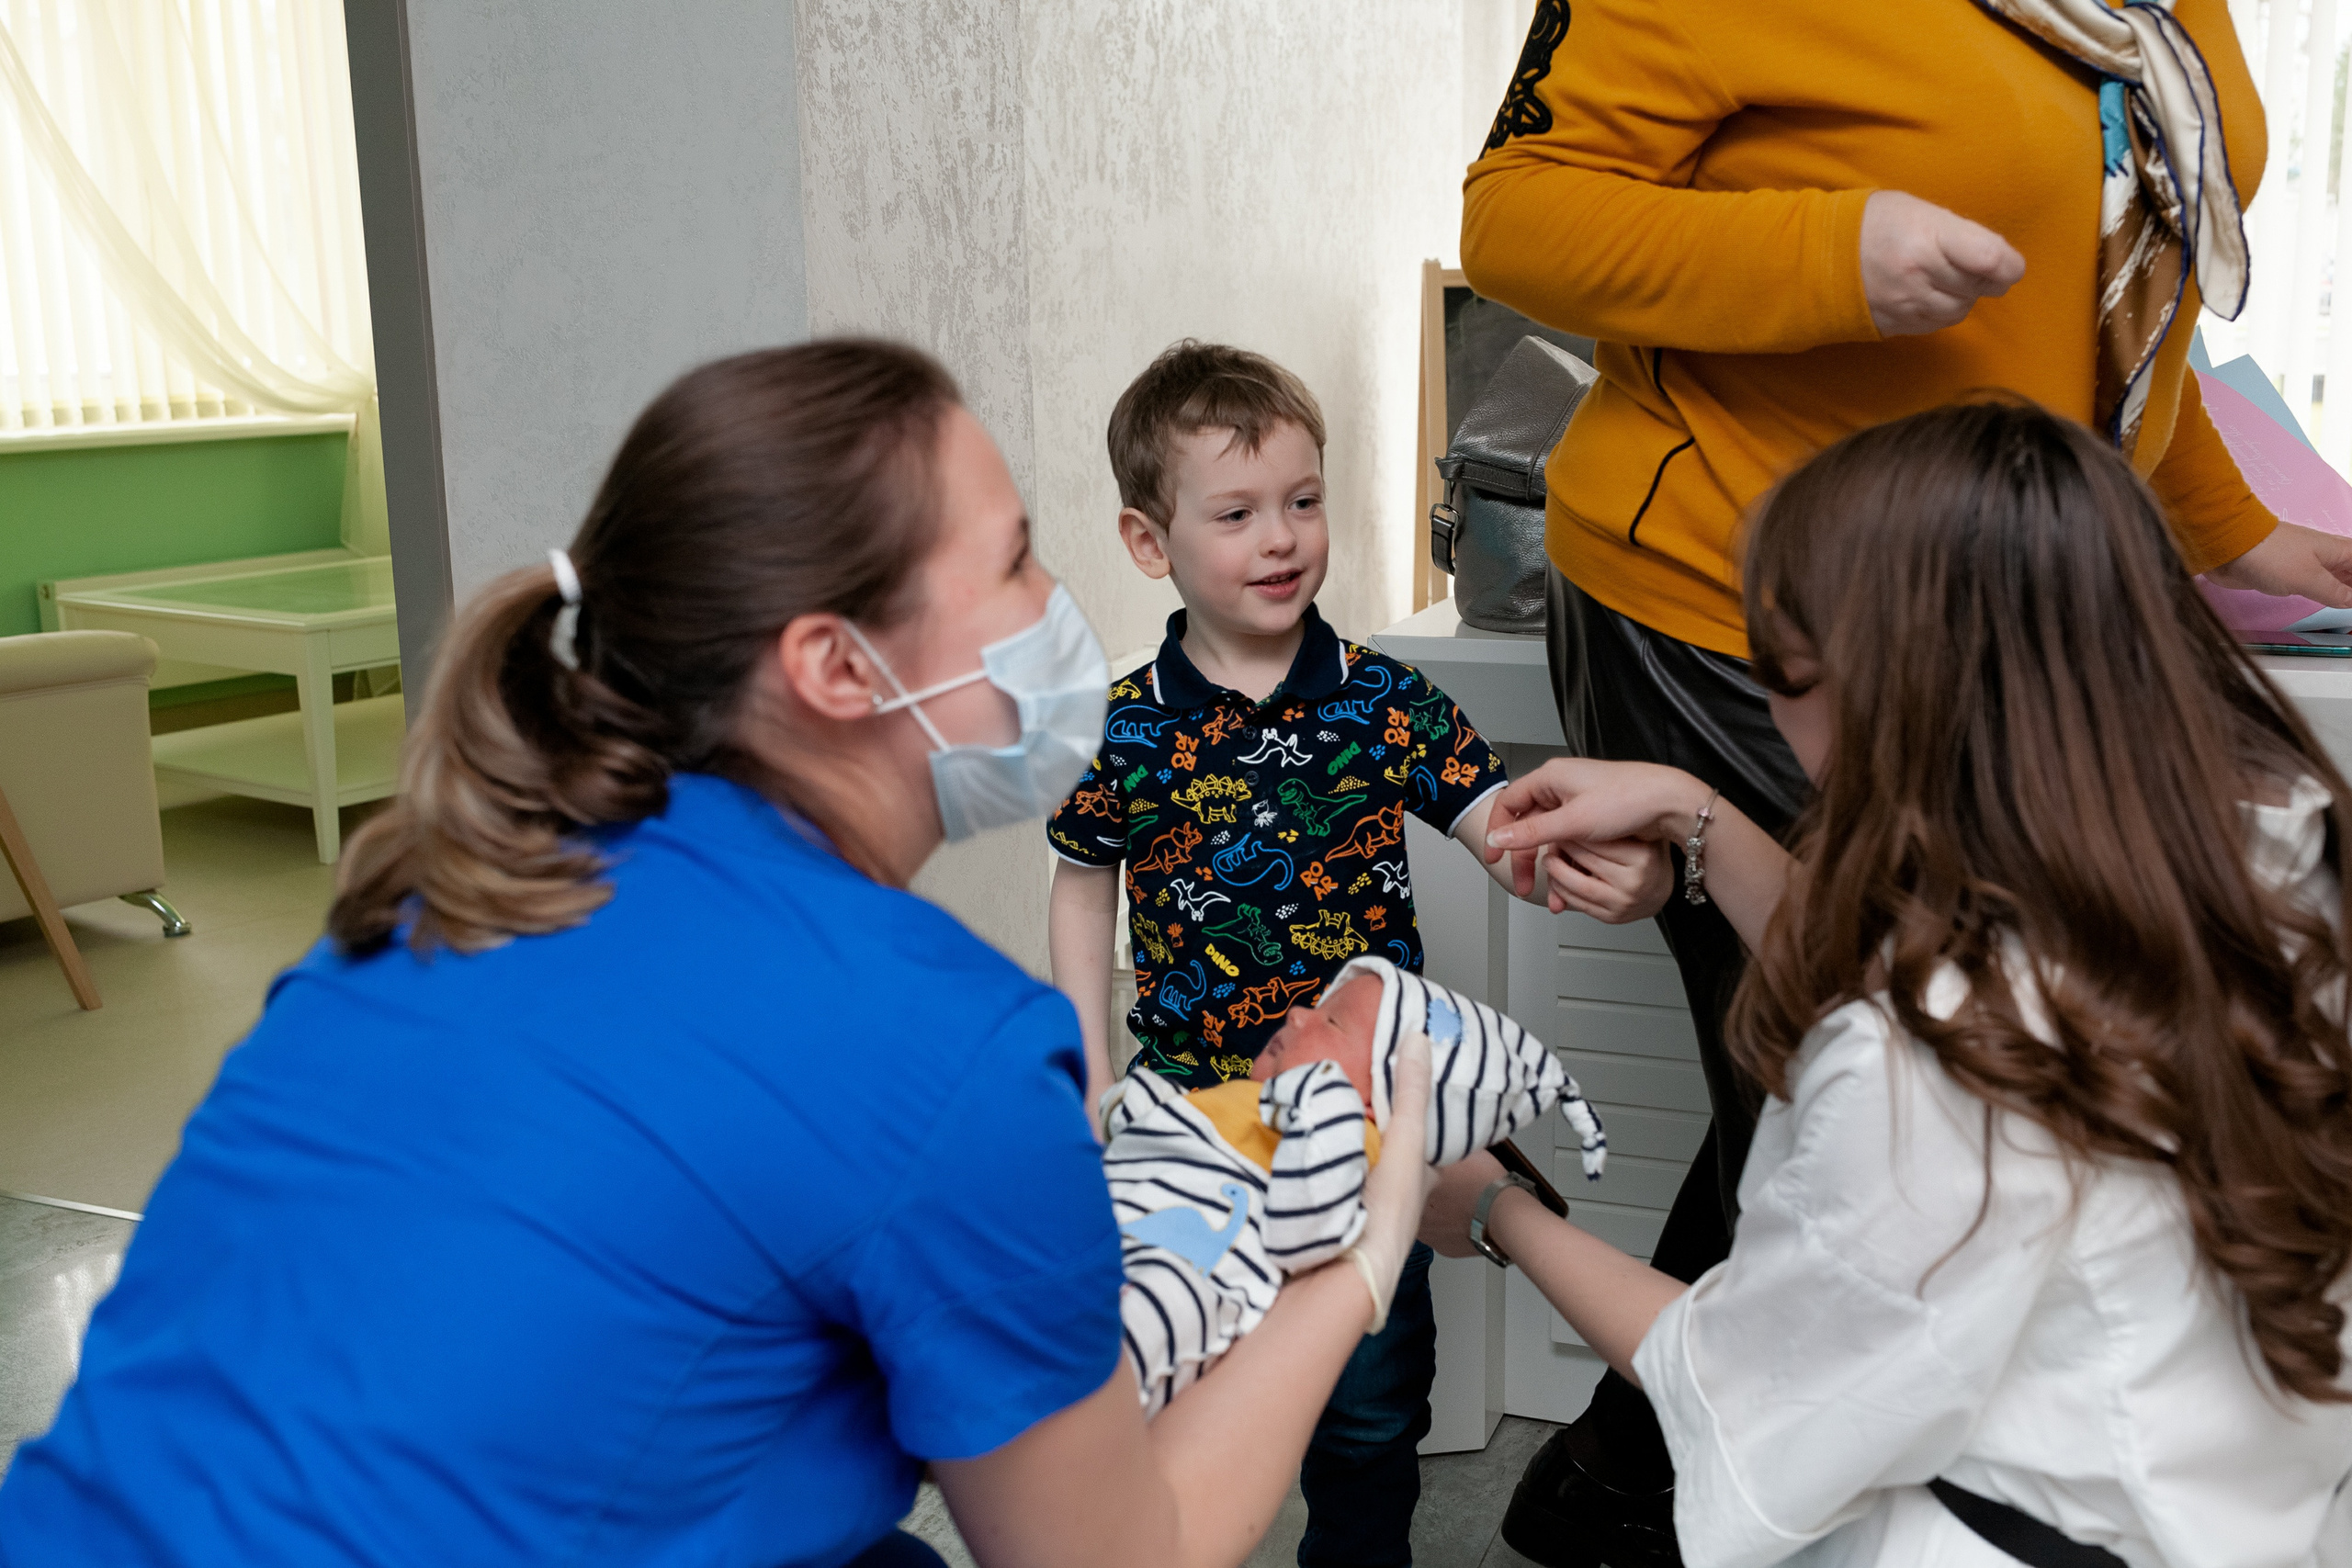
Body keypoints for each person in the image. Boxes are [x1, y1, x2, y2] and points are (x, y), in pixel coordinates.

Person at [0, 341, 1441, 1568]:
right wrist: (1353, 1260)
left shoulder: (456, 886)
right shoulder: (940, 1044)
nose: (1054, 604)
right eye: (1011, 559)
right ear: (833, 666)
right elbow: (1116, 1549)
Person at [1456, 4, 2352, 1558]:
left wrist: (1486, 1209)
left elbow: (2121, 313)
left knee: (1829, 1122)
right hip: (1768, 566)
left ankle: (1617, 1498)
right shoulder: (2295, 846)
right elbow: (1520, 214)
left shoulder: (1915, 1049)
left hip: (1949, 620)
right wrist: (1823, 254)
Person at [1044, 340, 1667, 1568]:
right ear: (1146, 537)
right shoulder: (1120, 725)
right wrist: (1083, 1059)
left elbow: (1496, 824)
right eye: (1236, 512)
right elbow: (1080, 882)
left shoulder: (1388, 701)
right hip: (1187, 1128)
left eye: (1303, 500)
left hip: (1362, 1129)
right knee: (1163, 1390)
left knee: (1369, 1415)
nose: (1280, 536)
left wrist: (1573, 858)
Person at [1111, 957, 1608, 1416]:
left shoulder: (1340, 1142)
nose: (1298, 1013)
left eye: (1331, 1021)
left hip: (1152, 1300)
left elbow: (1299, 1232)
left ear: (1376, 1104)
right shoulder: (1246, 1102)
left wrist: (1325, 1112)